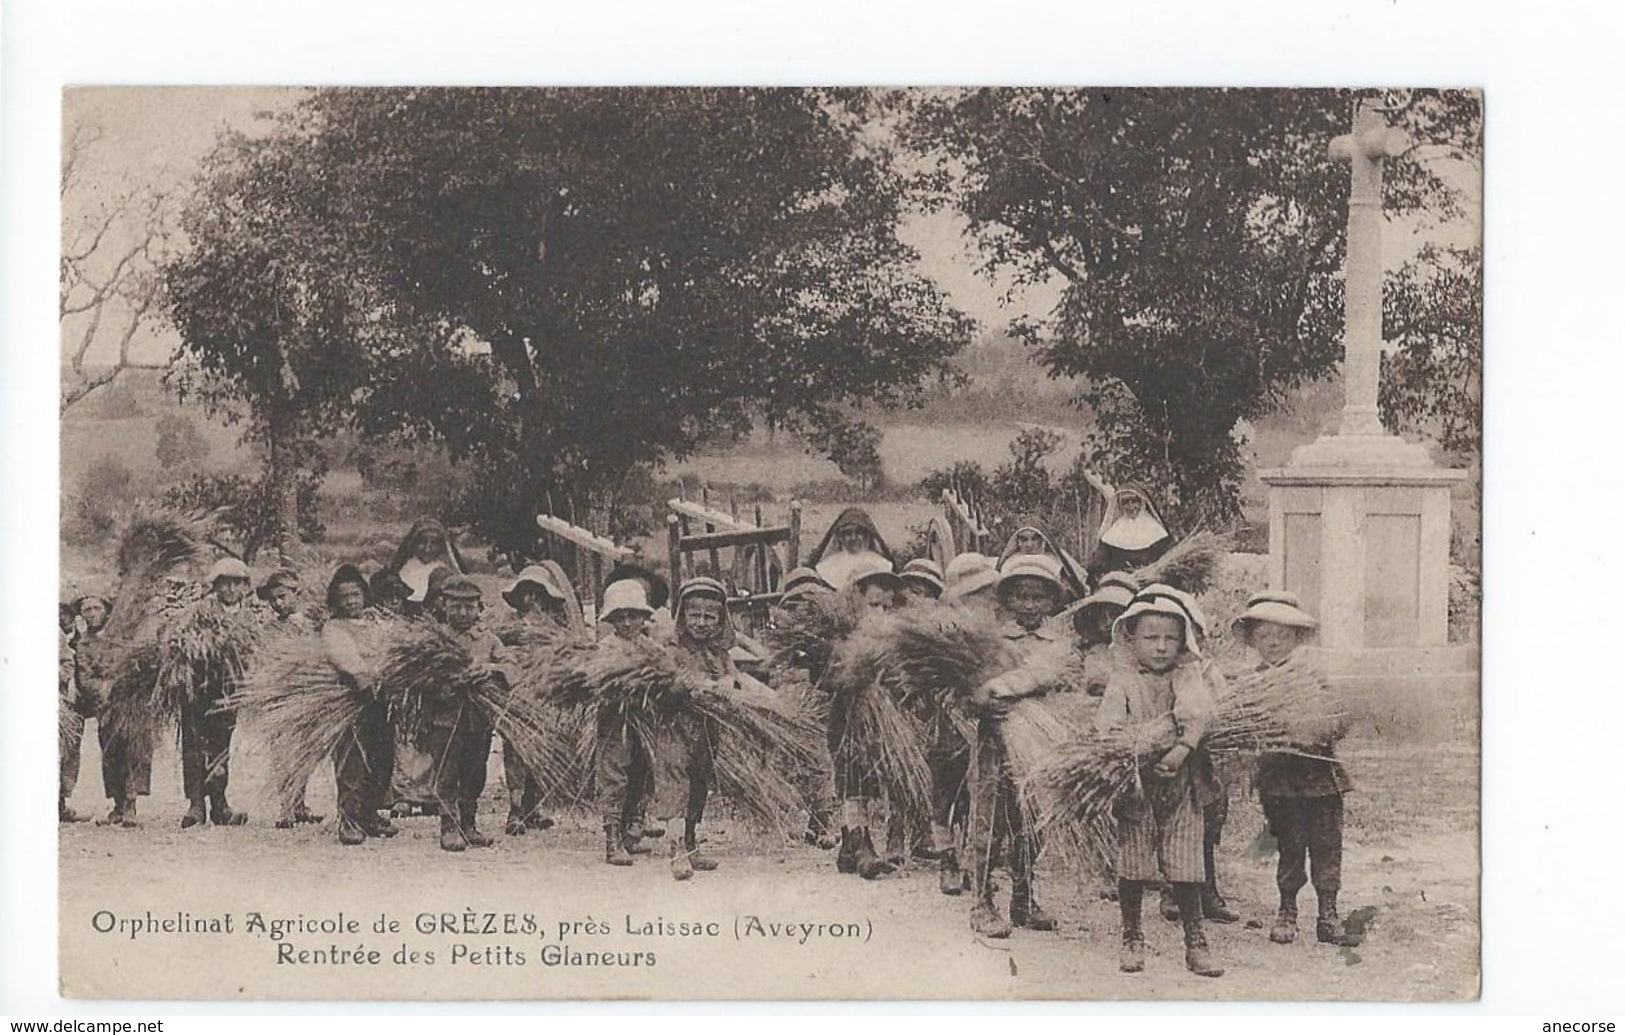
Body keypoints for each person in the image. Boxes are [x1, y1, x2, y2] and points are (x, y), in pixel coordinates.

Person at [1098, 588, 1224, 978]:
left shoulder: (1187, 676)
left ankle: (1195, 940)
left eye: (1171, 638)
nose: (1161, 647)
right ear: (1131, 639)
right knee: (1133, 860)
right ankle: (1132, 936)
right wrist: (1137, 748)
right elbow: (1107, 728)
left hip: (1183, 782)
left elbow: (1197, 714)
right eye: (1151, 638)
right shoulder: (1122, 682)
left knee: (1187, 863)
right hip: (1137, 785)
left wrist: (1181, 748)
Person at [1233, 591, 1360, 948]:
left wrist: (1314, 728)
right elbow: (1242, 732)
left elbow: (1341, 716)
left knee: (1326, 845)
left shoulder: (1312, 676)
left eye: (1282, 636)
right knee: (1290, 846)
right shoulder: (1249, 684)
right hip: (1279, 781)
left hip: (1321, 778)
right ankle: (1287, 910)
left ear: (1296, 638)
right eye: (1263, 636)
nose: (1272, 643)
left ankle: (1328, 913)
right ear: (1253, 640)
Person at [963, 555, 1069, 938]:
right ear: (1007, 599)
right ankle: (982, 901)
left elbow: (1059, 681)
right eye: (1021, 596)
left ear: (1051, 602)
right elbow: (968, 692)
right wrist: (982, 701)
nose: (1029, 604)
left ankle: (1023, 898)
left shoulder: (1059, 642)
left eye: (1037, 597)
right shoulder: (989, 640)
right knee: (989, 821)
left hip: (1038, 743)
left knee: (1033, 824)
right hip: (995, 743)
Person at [421, 575, 508, 852]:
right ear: (444, 606)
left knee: (475, 772)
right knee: (447, 772)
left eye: (469, 607)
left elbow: (511, 666)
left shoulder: (488, 640)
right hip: (444, 718)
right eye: (455, 607)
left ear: (479, 607)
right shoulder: (433, 639)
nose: (462, 613)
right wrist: (445, 681)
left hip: (478, 718)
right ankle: (449, 827)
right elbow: (419, 676)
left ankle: (469, 825)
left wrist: (490, 670)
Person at [496, 564, 582, 836]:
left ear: (546, 597)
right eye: (526, 593)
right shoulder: (507, 629)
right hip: (517, 696)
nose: (531, 599)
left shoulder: (555, 631)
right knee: (516, 753)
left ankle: (536, 807)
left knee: (542, 751)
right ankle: (516, 809)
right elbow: (499, 656)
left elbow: (565, 660)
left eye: (536, 593)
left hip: (545, 697)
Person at [172, 558, 256, 829]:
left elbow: (254, 650)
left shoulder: (249, 617)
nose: (230, 589)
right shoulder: (200, 611)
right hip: (197, 688)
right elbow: (180, 639)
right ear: (215, 586)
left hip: (229, 691)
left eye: (236, 584)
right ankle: (196, 804)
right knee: (194, 745)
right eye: (224, 583)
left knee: (221, 746)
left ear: (244, 587)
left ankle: (219, 804)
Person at [321, 565, 399, 846]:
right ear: (336, 601)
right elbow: (343, 656)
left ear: (365, 595)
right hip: (351, 700)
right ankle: (349, 819)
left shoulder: (376, 623)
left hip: (382, 698)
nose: (351, 601)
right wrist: (362, 674)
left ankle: (370, 813)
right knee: (352, 761)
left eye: (355, 594)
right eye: (344, 597)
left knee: (382, 758)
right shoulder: (333, 628)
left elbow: (390, 648)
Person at [259, 569, 326, 830]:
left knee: (305, 753)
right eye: (273, 600)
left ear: (296, 594)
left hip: (306, 694)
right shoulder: (270, 630)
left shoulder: (312, 625)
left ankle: (299, 803)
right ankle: (286, 807)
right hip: (280, 695)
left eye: (283, 597)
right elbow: (266, 661)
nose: (278, 603)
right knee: (283, 754)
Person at [61, 591, 114, 823]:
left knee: (72, 752)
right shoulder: (67, 636)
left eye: (96, 609)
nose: (91, 614)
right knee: (62, 749)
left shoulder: (104, 636)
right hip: (68, 700)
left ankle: (62, 800)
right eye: (86, 610)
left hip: (91, 699)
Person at [1081, 471, 1175, 577]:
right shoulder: (1112, 534)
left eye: (1134, 501)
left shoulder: (1157, 533)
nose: (1130, 506)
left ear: (1142, 502)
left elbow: (1166, 566)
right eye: (1125, 502)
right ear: (1120, 505)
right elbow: (1097, 564)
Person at [387, 519, 467, 616]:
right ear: (413, 543)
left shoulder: (447, 573)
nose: (427, 549)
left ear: (441, 545)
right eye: (422, 542)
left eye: (434, 543)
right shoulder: (401, 569)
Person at [995, 521, 1089, 602]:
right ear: (1018, 541)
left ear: (1043, 539)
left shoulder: (1056, 561)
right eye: (1024, 539)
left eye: (1034, 539)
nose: (1029, 544)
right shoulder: (1009, 563)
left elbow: (1071, 590)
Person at [809, 507, 895, 590]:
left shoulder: (882, 564)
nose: (853, 538)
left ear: (867, 536)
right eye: (848, 533)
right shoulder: (827, 567)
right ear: (840, 537)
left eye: (858, 532)